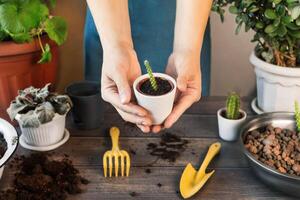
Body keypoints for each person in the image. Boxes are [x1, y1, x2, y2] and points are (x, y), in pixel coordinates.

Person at [85, 0, 212, 133]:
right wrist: (117, 46)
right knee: (102, 123)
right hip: (108, 17)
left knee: (192, 122)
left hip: (191, 20)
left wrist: (187, 50)